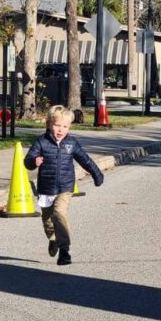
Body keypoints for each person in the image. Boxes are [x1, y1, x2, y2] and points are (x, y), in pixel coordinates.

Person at [24, 105, 104, 265]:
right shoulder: (41, 142)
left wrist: (97, 174)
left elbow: (85, 159)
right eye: (57, 125)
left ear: (69, 127)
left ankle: (65, 251)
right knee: (47, 221)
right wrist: (34, 161)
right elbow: (28, 160)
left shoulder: (72, 143)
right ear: (48, 124)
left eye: (65, 126)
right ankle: (53, 239)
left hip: (65, 188)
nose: (61, 130)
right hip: (46, 188)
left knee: (59, 214)